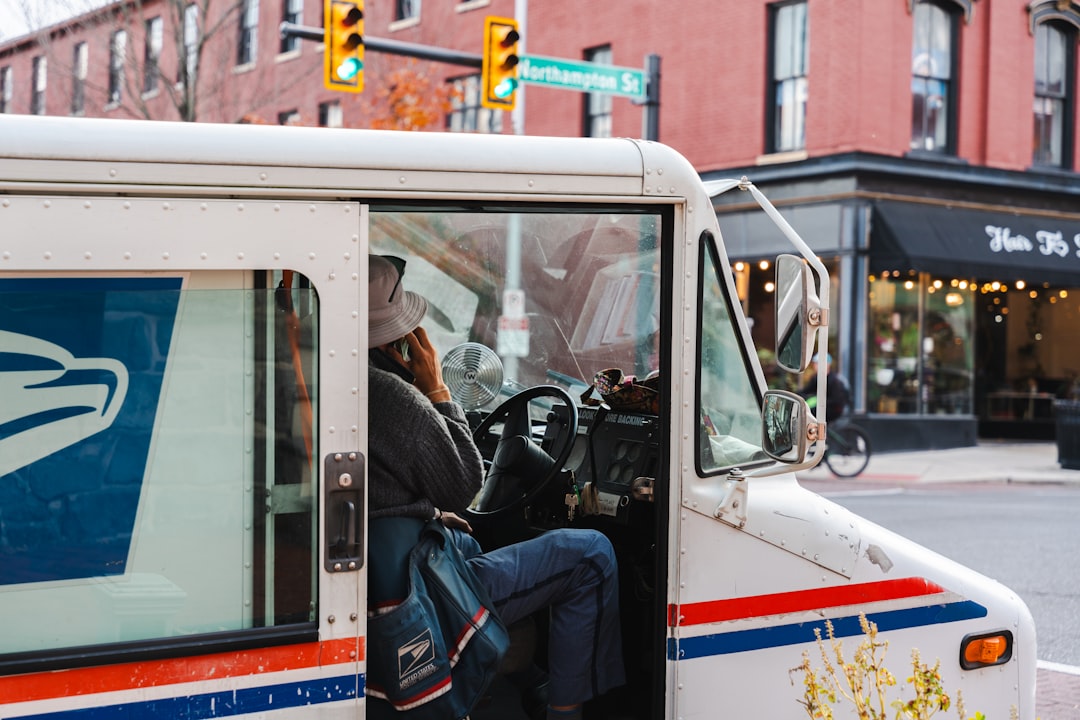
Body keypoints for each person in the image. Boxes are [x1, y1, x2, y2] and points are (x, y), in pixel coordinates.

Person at [365, 254, 625, 720]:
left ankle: (530, 683)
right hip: (416, 582)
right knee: (592, 553)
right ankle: (563, 712)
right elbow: (464, 481)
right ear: (399, 340)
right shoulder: (392, 396)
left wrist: (424, 512)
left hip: (399, 557)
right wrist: (437, 391)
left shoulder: (338, 383)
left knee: (465, 535)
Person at [798, 353, 851, 423]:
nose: (815, 366)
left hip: (834, 409)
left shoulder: (834, 380)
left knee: (811, 412)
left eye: (818, 363)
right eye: (815, 363)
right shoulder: (816, 378)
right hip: (823, 406)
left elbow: (837, 400)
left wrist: (819, 401)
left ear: (827, 365)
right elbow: (807, 390)